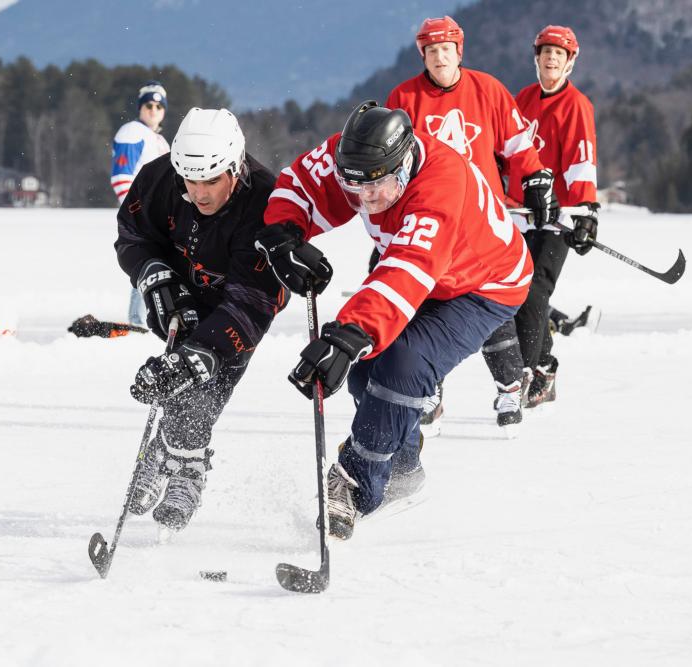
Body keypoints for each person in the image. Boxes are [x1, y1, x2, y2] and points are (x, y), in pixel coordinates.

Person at [255, 101, 532, 539]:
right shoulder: (359, 155)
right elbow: (302, 184)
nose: (366, 198)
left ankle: (354, 483)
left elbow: (407, 272)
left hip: (483, 283)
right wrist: (284, 234)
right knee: (367, 374)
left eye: (378, 186)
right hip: (424, 271)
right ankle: (403, 471)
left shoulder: (439, 187)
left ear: (403, 164)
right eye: (354, 187)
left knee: (402, 365)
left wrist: (349, 335)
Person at [114, 107, 287, 532]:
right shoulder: (161, 177)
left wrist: (202, 354)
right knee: (177, 375)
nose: (200, 192)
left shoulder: (265, 200)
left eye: (211, 180)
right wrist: (154, 279)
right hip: (181, 289)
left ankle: (186, 467)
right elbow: (132, 235)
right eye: (191, 180)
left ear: (236, 166)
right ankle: (166, 449)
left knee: (204, 382)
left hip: (239, 305)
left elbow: (253, 300)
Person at [386, 15, 557, 440]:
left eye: (446, 49)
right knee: (420, 306)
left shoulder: (488, 89)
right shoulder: (404, 96)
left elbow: (518, 144)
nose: (439, 58)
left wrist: (534, 178)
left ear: (459, 52)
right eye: (431, 51)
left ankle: (510, 388)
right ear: (422, 55)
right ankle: (429, 392)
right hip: (428, 218)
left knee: (484, 303)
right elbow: (388, 158)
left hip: (481, 220)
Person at [505, 25, 599, 407]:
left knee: (534, 292)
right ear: (537, 57)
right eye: (546, 53)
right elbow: (504, 152)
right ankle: (545, 368)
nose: (551, 59)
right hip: (519, 215)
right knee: (514, 294)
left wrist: (586, 213)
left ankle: (522, 378)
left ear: (570, 62)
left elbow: (582, 159)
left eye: (559, 55)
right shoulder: (521, 99)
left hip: (558, 218)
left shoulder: (577, 105)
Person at [112, 81, 171, 327]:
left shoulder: (159, 140)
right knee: (146, 263)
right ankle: (137, 322)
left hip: (162, 215)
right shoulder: (132, 132)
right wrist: (136, 215)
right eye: (149, 104)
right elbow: (121, 176)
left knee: (160, 264)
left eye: (159, 106)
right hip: (144, 215)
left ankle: (154, 319)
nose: (154, 110)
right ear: (140, 107)